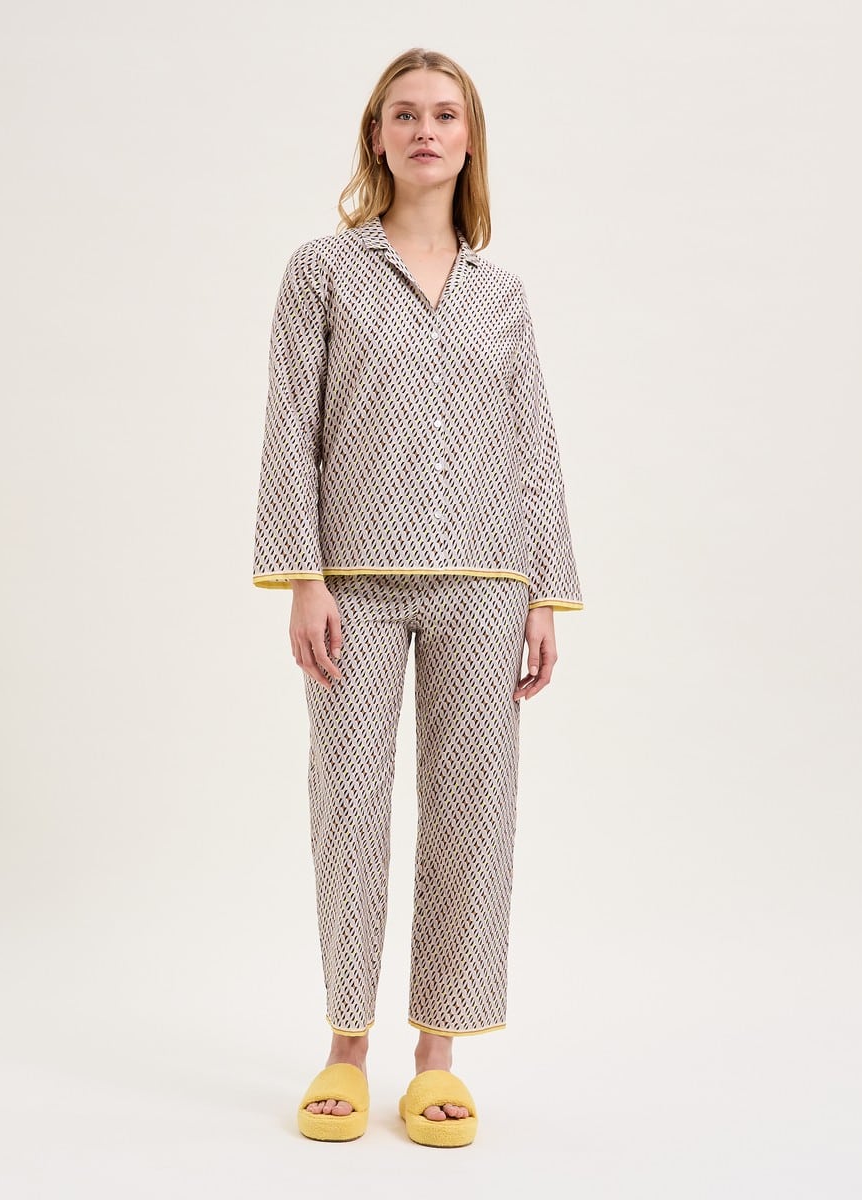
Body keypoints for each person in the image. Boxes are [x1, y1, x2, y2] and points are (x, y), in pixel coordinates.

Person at [252, 47, 584, 1147]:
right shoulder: (322, 271)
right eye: (406, 114)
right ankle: (346, 1048)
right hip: (352, 579)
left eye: (445, 114)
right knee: (347, 805)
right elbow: (291, 428)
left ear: (469, 138)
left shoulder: (503, 295)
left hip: (488, 582)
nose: (425, 130)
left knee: (472, 814)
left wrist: (545, 592)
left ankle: (438, 1057)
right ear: (378, 135)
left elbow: (533, 446)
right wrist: (302, 576)